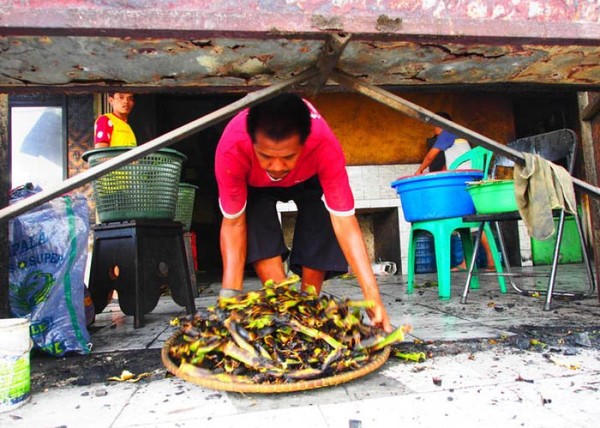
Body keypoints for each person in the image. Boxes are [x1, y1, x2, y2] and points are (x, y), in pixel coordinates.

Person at [214, 93, 392, 333]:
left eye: (287, 156)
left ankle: (307, 307)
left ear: (305, 143)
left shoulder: (323, 144)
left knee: (320, 211)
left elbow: (344, 222)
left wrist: (373, 299)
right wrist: (229, 300)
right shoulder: (232, 148)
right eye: (266, 156)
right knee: (255, 216)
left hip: (308, 180)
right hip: (254, 187)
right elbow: (234, 225)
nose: (276, 167)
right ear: (252, 142)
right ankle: (282, 304)